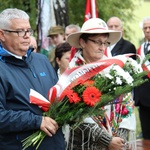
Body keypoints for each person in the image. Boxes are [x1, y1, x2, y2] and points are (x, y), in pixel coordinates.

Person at [0, 8, 65, 150]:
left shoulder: (42, 60)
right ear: (2, 35)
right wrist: (36, 121)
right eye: (19, 31)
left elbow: (58, 96)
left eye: (28, 30)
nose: (26, 36)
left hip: (56, 144)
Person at [66, 17, 133, 150]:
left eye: (105, 43)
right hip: (83, 145)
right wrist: (107, 141)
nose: (102, 47)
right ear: (82, 42)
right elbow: (74, 115)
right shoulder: (71, 73)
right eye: (97, 42)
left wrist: (119, 140)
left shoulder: (115, 69)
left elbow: (126, 105)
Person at [134, 16, 150, 140]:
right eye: (145, 28)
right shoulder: (140, 49)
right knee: (146, 135)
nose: (147, 30)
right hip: (144, 100)